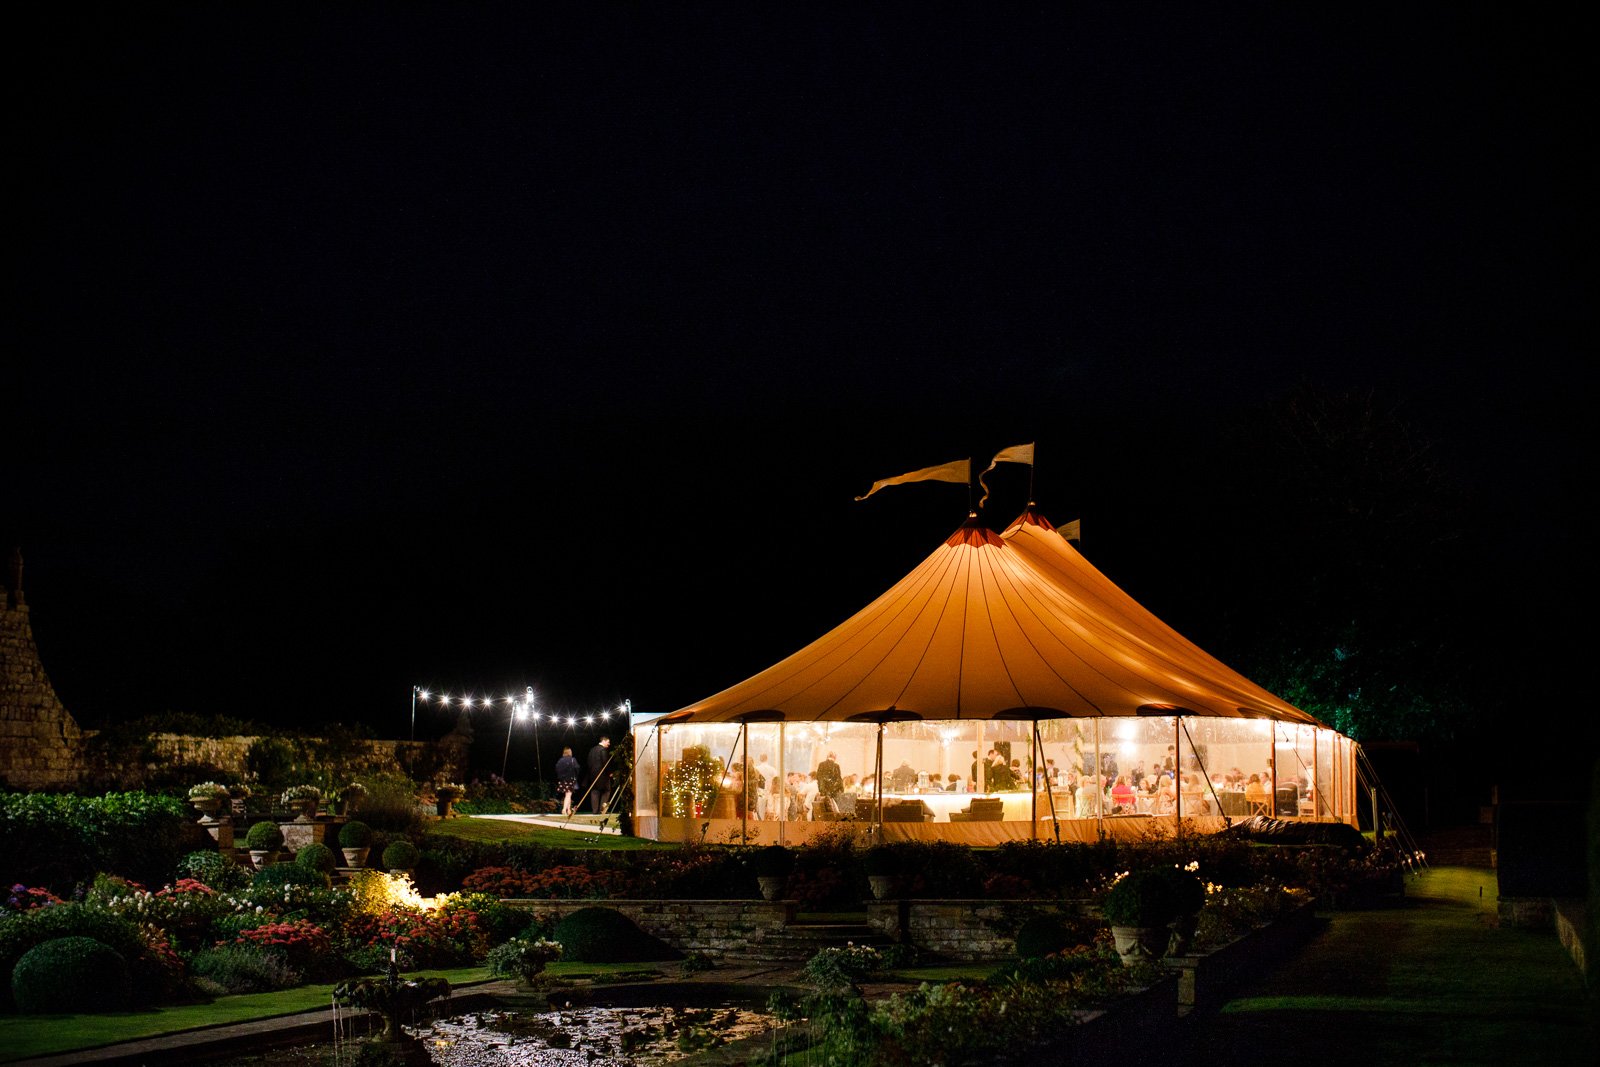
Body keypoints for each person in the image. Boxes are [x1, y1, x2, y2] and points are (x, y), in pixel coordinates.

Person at [586, 736, 613, 814]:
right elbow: (605, 763)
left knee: (594, 792)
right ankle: (602, 809)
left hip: (592, 775)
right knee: (607, 791)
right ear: (603, 741)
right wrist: (610, 772)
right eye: (608, 742)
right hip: (602, 775)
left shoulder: (592, 750)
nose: (609, 744)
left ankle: (595, 811)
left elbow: (588, 762)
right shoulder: (603, 750)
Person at [555, 746, 580, 815]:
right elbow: (577, 768)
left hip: (562, 780)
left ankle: (568, 810)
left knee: (568, 795)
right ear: (570, 752)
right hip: (570, 779)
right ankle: (564, 810)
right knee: (568, 795)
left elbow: (557, 769)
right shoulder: (573, 759)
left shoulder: (560, 760)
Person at [754, 753, 780, 819]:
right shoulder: (772, 769)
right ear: (767, 758)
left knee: (761, 808)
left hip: (759, 791)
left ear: (760, 759)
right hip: (770, 790)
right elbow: (776, 779)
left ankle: (761, 820)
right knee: (770, 807)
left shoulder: (757, 769)